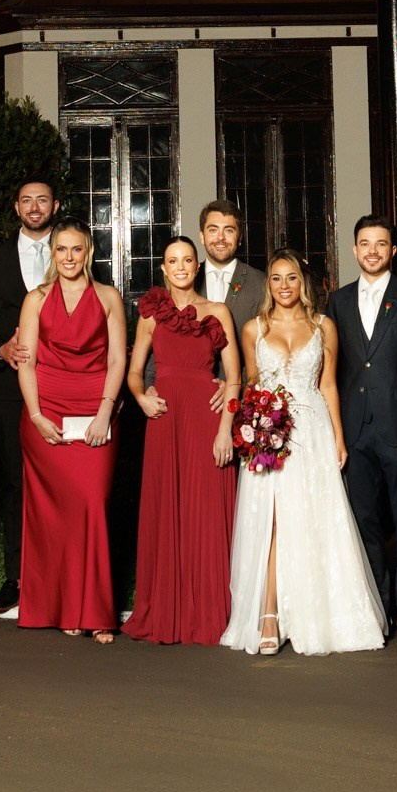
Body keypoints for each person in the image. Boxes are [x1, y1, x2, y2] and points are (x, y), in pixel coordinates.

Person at [221, 249, 389, 656]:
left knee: (314, 517)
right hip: (269, 433)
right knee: (274, 522)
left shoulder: (323, 326)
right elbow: (251, 384)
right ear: (268, 285)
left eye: (291, 278)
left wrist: (338, 438)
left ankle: (319, 613)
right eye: (276, 278)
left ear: (303, 282)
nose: (283, 286)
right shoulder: (252, 329)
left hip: (311, 429)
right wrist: (250, 429)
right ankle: (269, 615)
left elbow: (329, 385)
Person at [328, 213, 397, 646]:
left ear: (392, 251)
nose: (372, 251)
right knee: (365, 525)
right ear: (354, 250)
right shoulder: (337, 302)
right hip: (355, 432)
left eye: (381, 244)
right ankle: (375, 611)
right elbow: (331, 371)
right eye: (365, 243)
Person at [13, 218, 126, 641]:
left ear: (88, 253)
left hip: (96, 410)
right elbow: (27, 362)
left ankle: (96, 611)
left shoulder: (109, 297)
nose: (68, 257)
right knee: (54, 516)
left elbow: (117, 360)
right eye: (61, 249)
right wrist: (37, 415)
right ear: (52, 253)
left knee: (92, 504)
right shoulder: (36, 299)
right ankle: (64, 610)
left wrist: (105, 411)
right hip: (46, 410)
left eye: (76, 249)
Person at [124, 235, 240, 646]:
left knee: (206, 511)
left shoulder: (218, 312)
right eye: (172, 260)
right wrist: (141, 398)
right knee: (167, 506)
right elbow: (134, 371)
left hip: (207, 420)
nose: (180, 267)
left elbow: (235, 378)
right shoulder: (151, 314)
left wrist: (226, 428)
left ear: (197, 266)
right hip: (166, 418)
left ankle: (208, 610)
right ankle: (168, 608)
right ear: (163, 267)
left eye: (187, 260)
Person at [0, 181, 55, 615]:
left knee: (61, 482)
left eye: (42, 199)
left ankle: (59, 574)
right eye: (26, 200)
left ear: (55, 205)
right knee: (15, 483)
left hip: (62, 387)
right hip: (9, 391)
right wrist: (0, 349)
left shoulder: (72, 251)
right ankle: (18, 577)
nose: (34, 207)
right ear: (16, 206)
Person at [196, 200, 269, 336]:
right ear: (202, 236)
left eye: (229, 230)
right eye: (213, 230)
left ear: (240, 238)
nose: (220, 237)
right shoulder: (188, 280)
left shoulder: (260, 282)